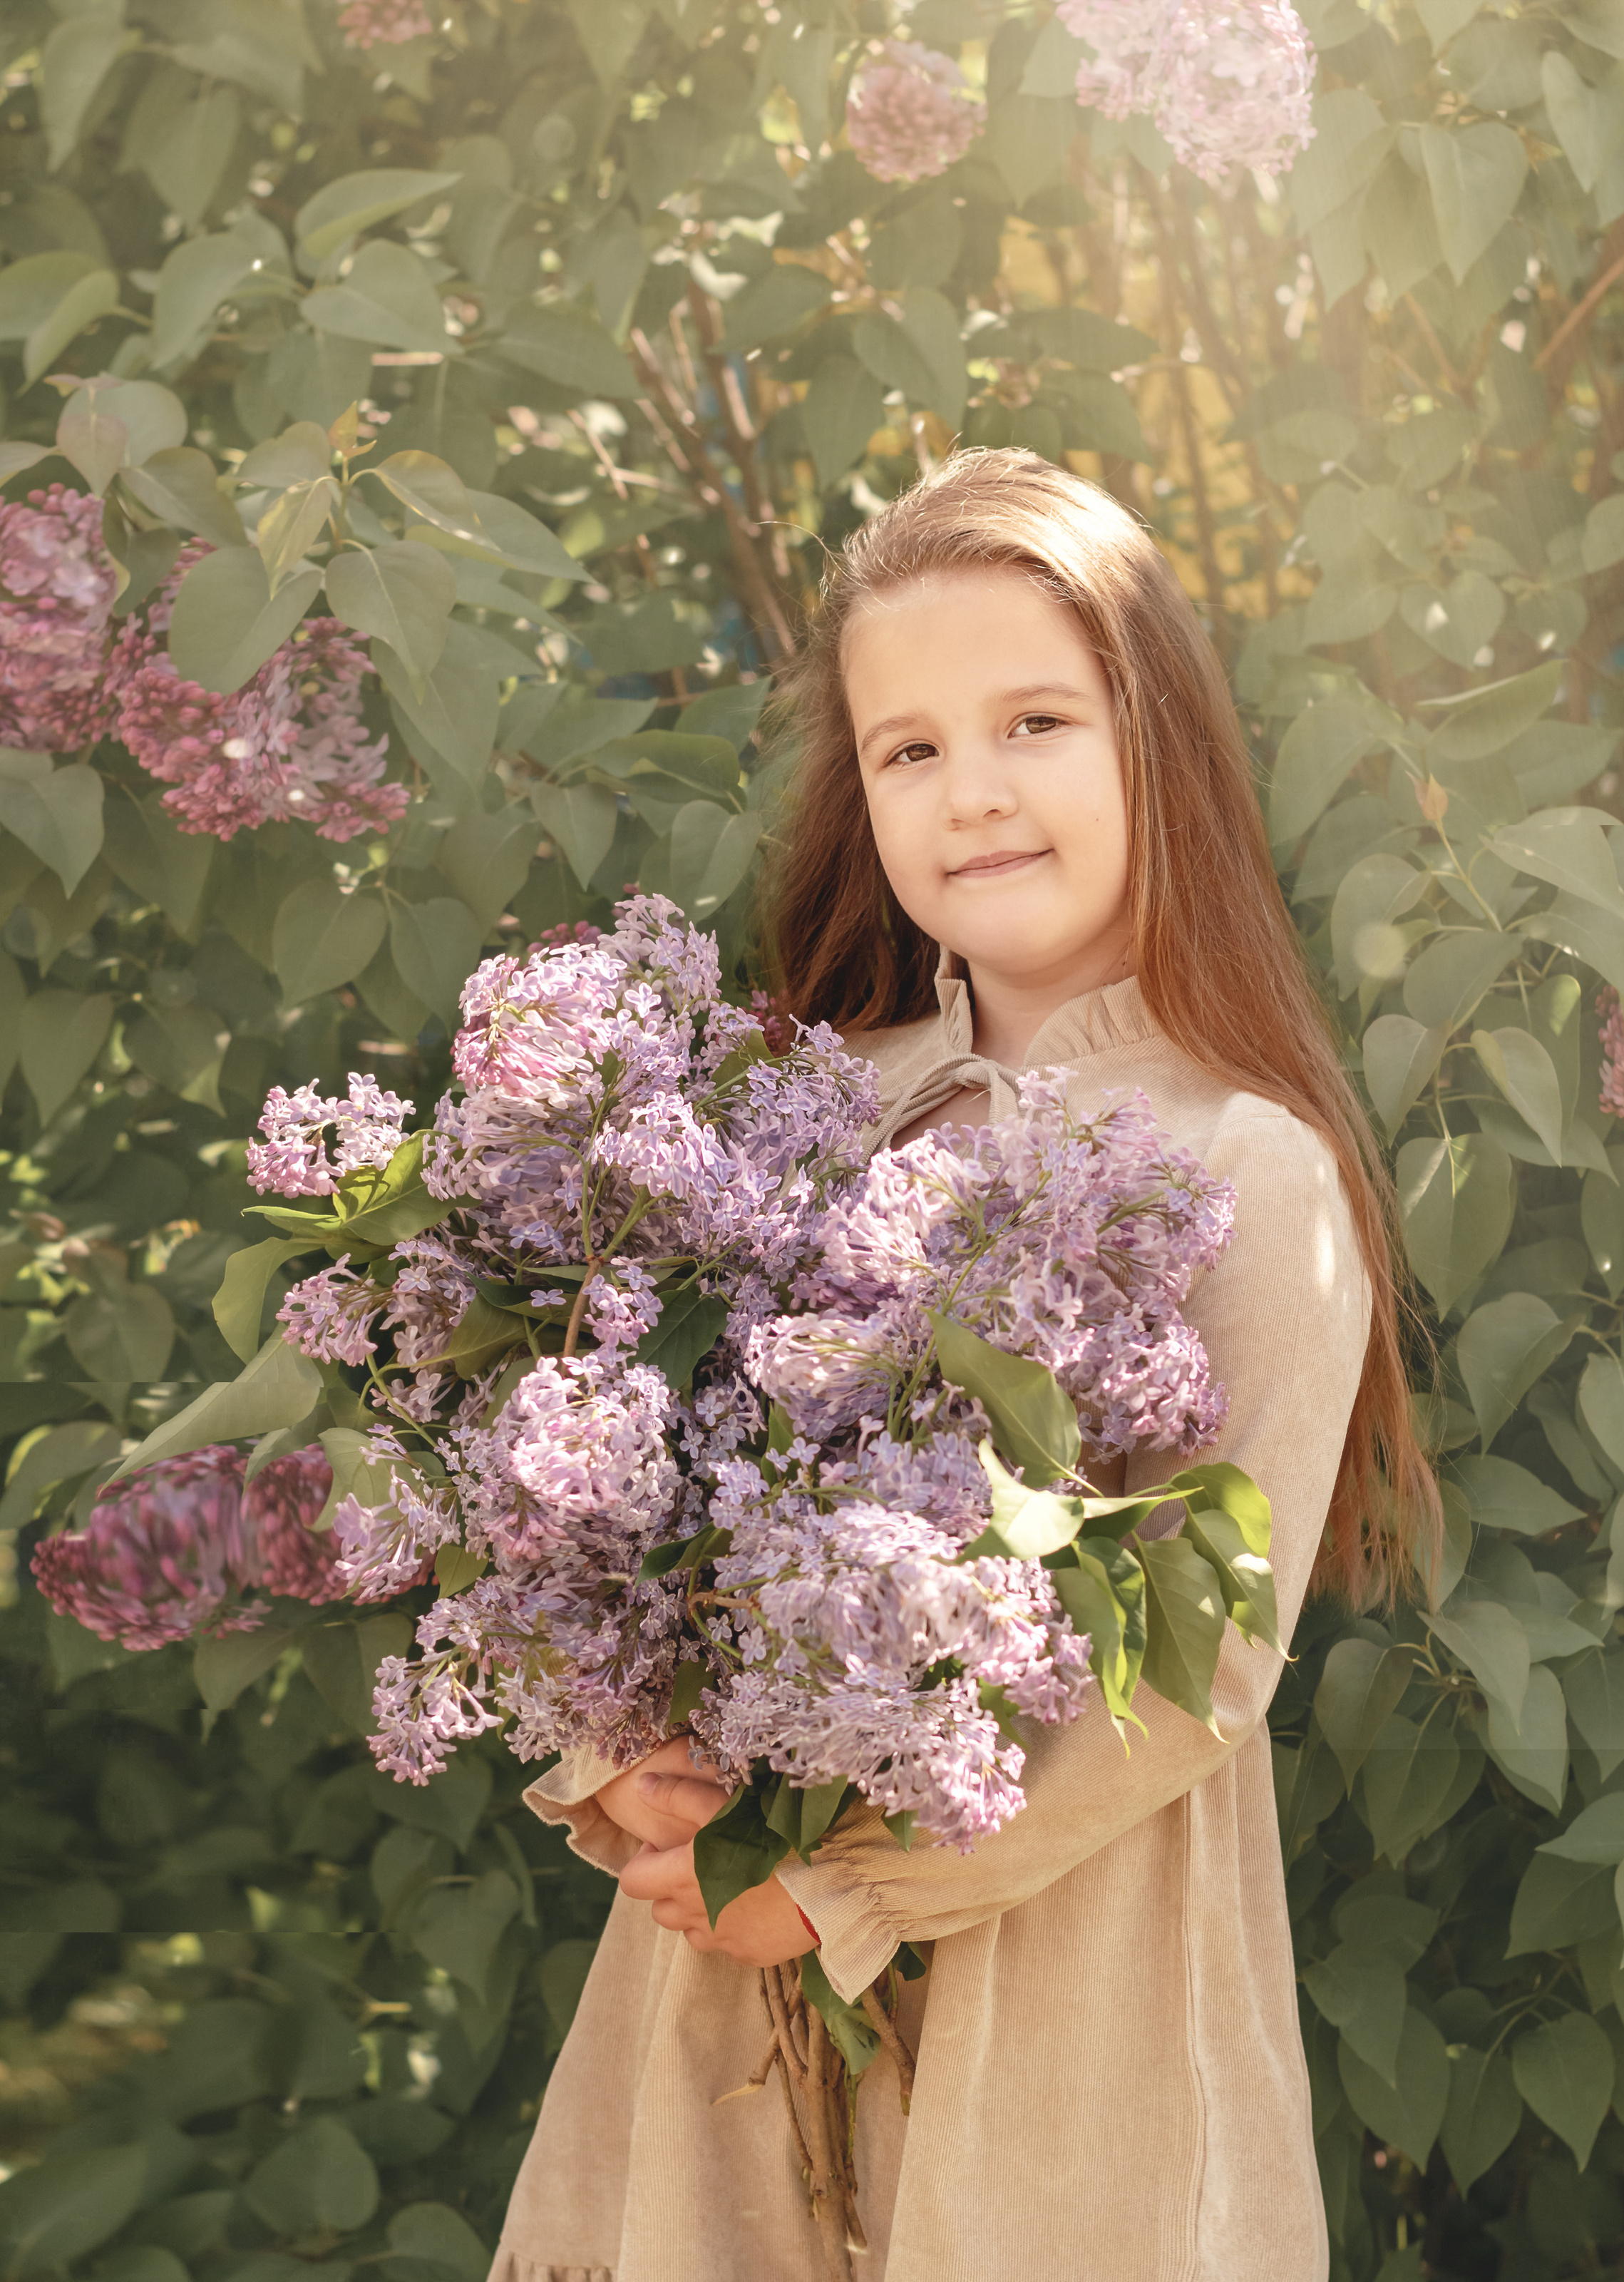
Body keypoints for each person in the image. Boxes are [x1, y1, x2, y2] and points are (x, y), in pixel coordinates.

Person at [486, 449, 1438, 2282]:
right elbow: (612, 1506)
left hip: (1053, 2001)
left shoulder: (1250, 1169)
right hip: (719, 1998)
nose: (972, 792)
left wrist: (837, 1885)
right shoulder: (795, 1111)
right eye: (908, 749)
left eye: (1033, 722)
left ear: (1153, 742)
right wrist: (627, 1766)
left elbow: (1196, 1668)